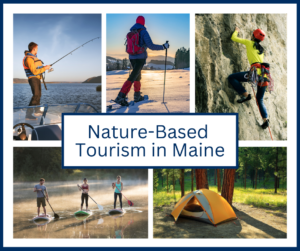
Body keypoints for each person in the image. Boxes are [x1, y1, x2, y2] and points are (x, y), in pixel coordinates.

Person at [114, 16, 170, 105]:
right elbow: (151, 46)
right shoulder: (144, 32)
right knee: (133, 76)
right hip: (140, 58)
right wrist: (163, 47)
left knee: (137, 75)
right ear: (143, 22)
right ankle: (121, 96)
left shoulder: (132, 31)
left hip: (131, 57)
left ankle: (137, 96)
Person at [228, 27, 269, 129]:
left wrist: (237, 30)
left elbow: (234, 38)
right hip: (264, 76)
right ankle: (265, 120)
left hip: (254, 74)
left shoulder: (249, 43)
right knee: (260, 99)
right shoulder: (262, 50)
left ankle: (246, 95)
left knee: (231, 78)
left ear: (253, 36)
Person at [22, 42, 51, 120]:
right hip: (33, 78)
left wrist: (45, 67)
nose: (37, 50)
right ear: (34, 48)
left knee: (38, 95)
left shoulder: (33, 58)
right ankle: (28, 115)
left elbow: (37, 68)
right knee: (35, 95)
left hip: (37, 78)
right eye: (37, 48)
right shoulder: (29, 58)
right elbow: (34, 71)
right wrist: (44, 68)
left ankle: (37, 110)